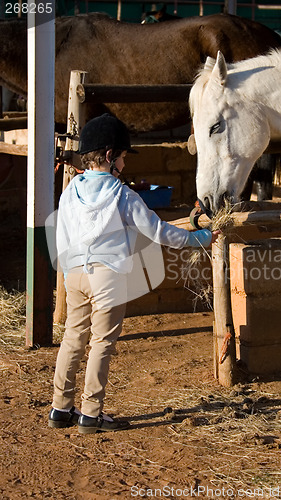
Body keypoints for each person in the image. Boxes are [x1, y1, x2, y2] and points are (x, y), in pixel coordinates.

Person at [48, 113, 220, 434]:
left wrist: (70, 269)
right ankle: (91, 413)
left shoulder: (71, 190)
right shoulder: (124, 195)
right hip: (108, 278)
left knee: (73, 338)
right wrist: (200, 238)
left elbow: (63, 232)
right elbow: (158, 232)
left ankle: (60, 407)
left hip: (75, 274)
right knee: (101, 343)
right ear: (111, 156)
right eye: (124, 157)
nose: (125, 165)